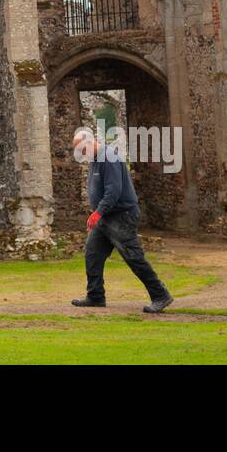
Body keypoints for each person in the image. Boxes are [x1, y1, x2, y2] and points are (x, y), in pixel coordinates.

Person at [70, 125, 173, 314]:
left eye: (82, 149)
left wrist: (98, 212)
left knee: (133, 256)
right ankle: (95, 296)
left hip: (121, 215)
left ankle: (160, 295)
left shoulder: (108, 157)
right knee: (92, 253)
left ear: (90, 142)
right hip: (106, 217)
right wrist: (97, 214)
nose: (81, 153)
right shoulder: (94, 159)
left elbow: (113, 190)